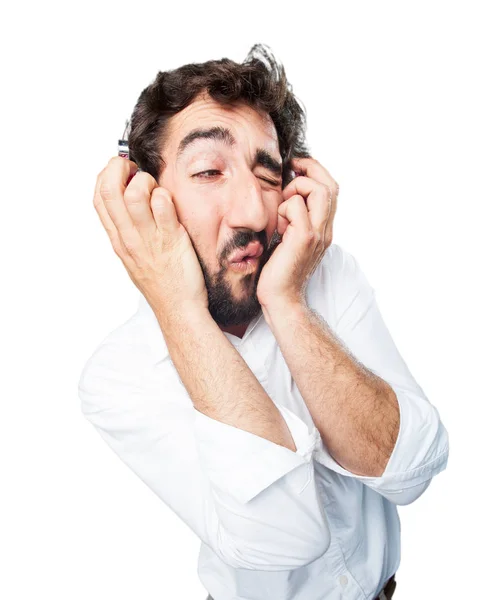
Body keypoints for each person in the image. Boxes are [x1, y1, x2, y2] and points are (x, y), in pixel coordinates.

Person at [78, 44, 449, 600]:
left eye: (268, 174)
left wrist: (287, 301)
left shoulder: (325, 272)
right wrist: (179, 309)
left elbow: (412, 470)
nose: (253, 213)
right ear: (145, 196)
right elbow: (283, 539)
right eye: (208, 171)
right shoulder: (117, 376)